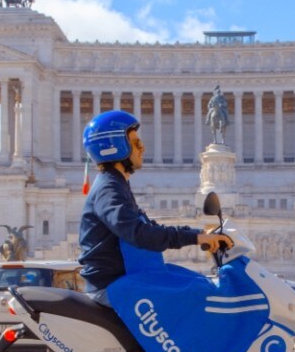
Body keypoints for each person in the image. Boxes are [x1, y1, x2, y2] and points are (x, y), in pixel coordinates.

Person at [78, 110, 233, 307]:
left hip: (126, 281)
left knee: (196, 283)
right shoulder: (108, 189)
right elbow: (140, 234)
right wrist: (196, 238)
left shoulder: (117, 185)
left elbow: (148, 227)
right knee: (190, 301)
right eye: (136, 144)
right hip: (112, 288)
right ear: (116, 147)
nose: (142, 149)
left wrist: (199, 234)